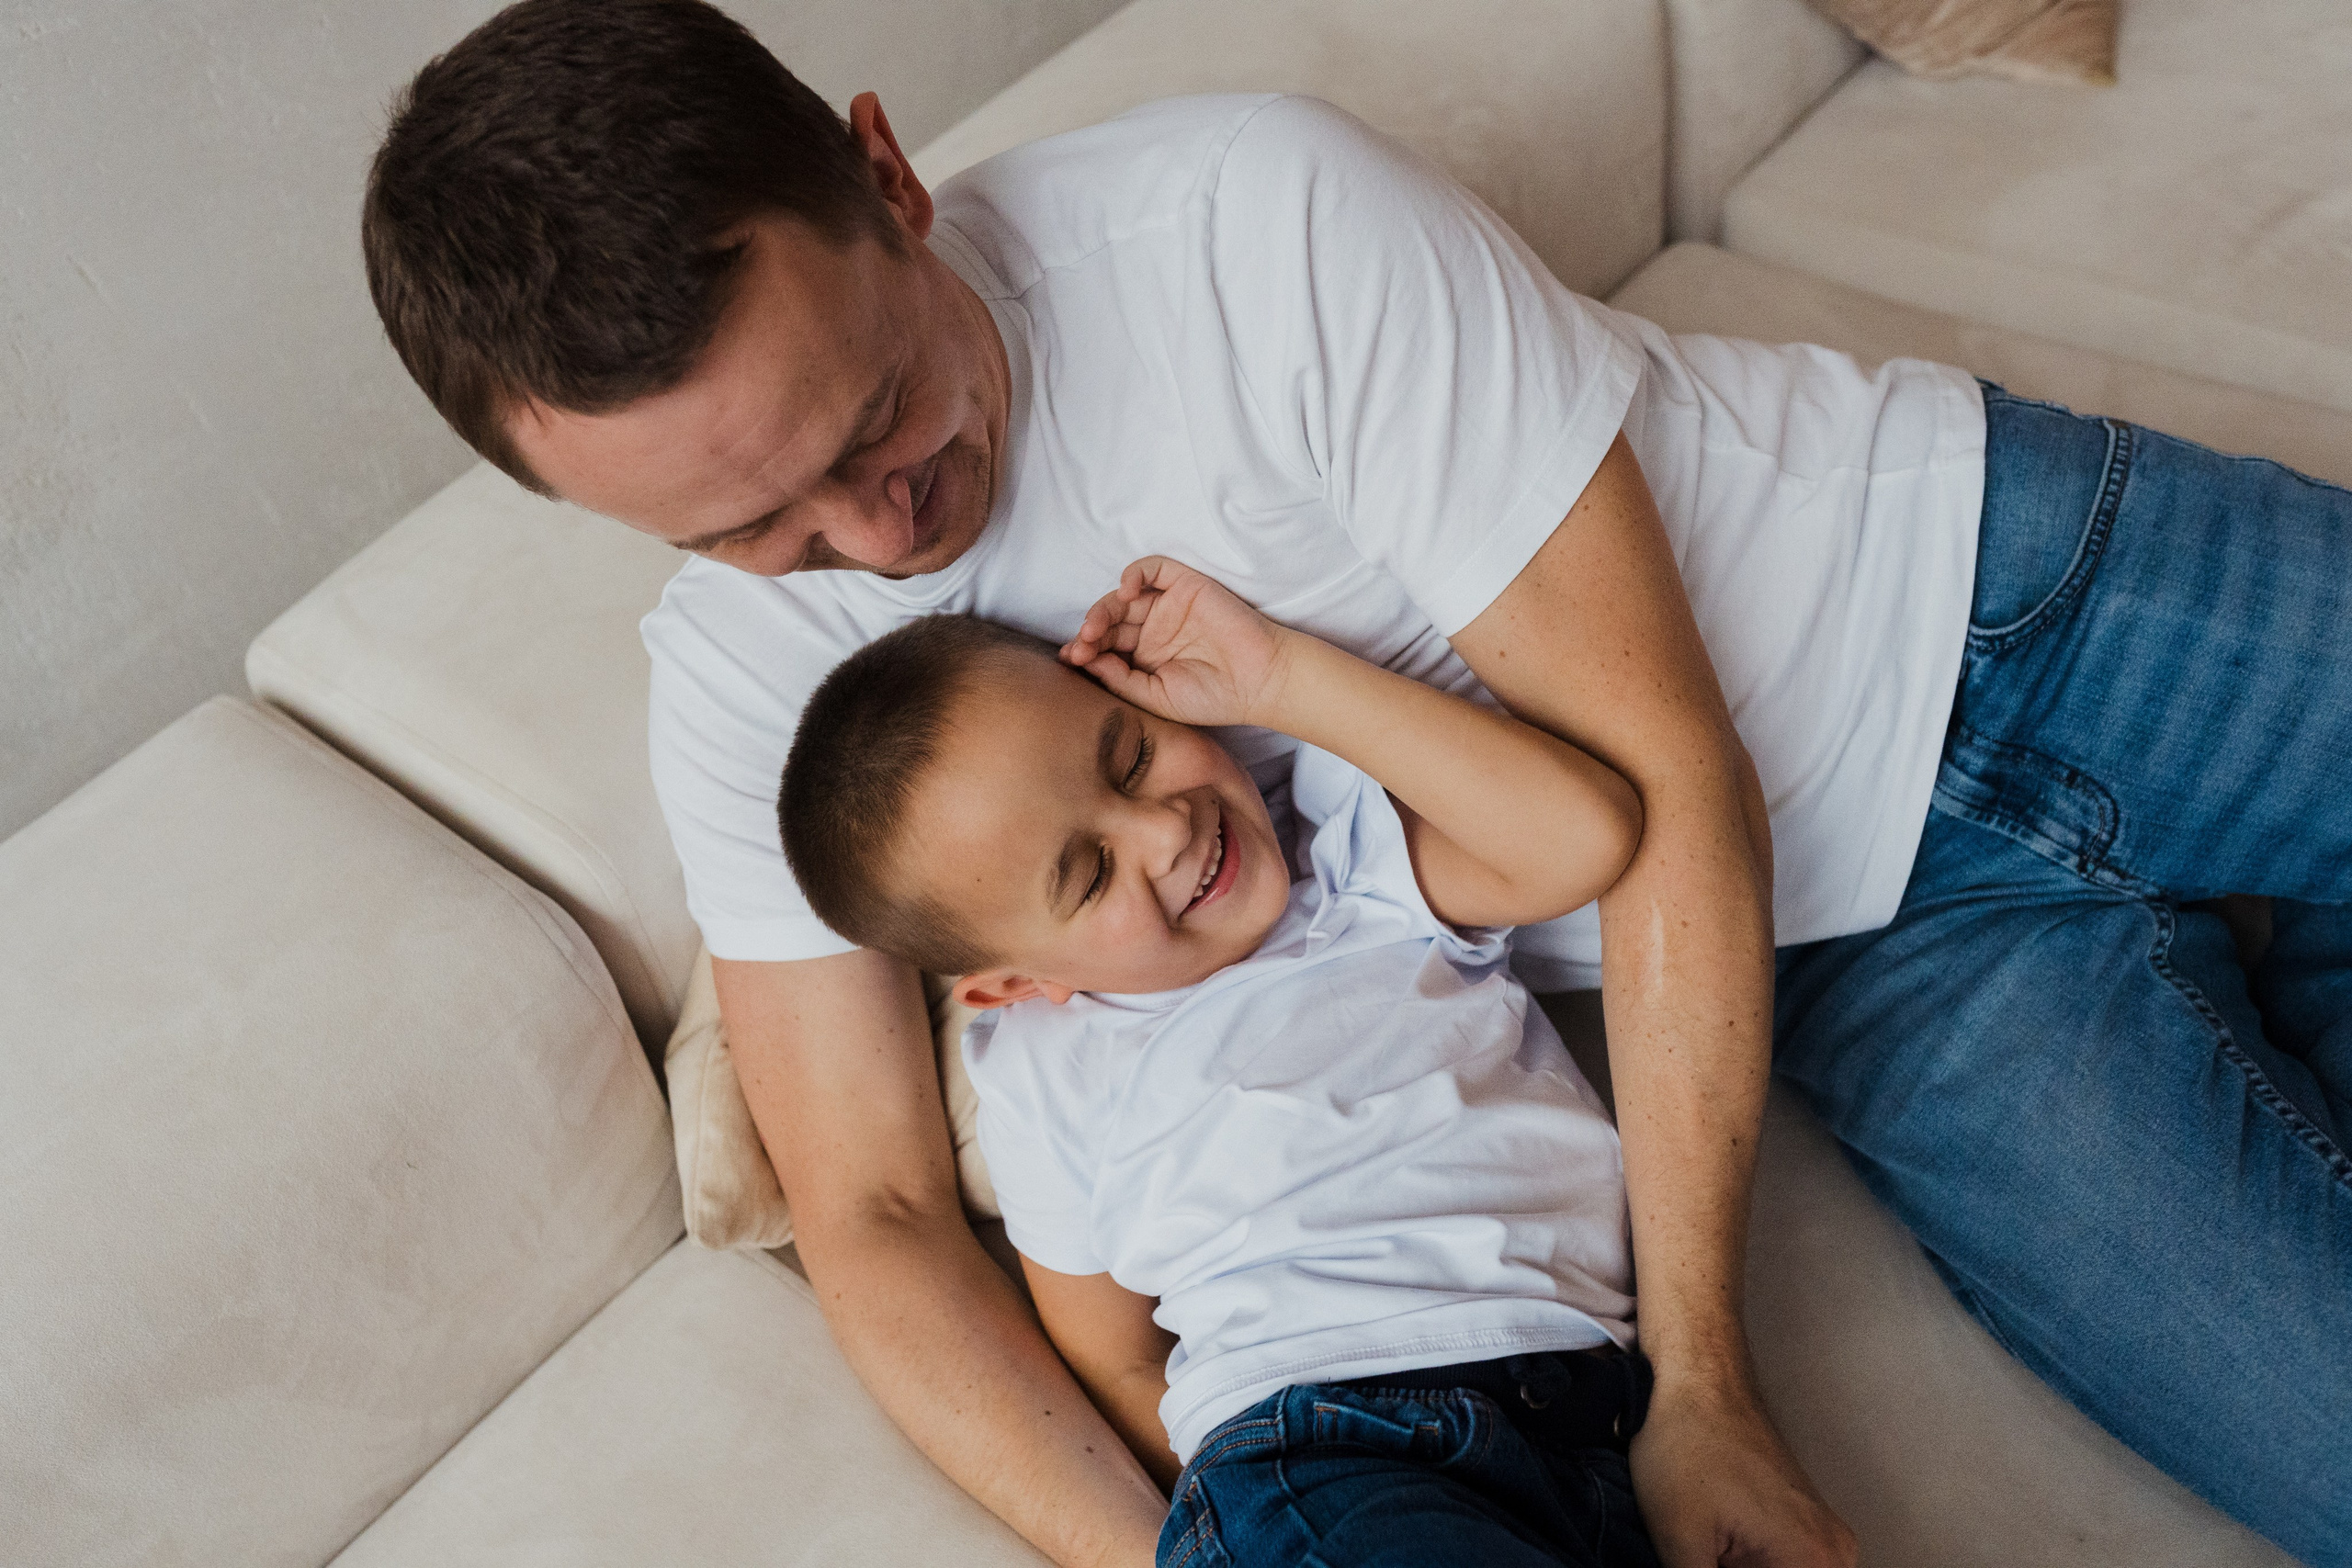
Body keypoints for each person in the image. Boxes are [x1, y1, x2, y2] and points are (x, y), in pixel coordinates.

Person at [360, 1, 2351, 1563]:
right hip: (1841, 956)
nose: (869, 539)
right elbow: (873, 1206)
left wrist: (1702, 1376)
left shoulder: (1249, 221)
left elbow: (1660, 756)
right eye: (749, 530)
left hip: (1991, 599)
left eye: (869, 416)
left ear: (887, 179)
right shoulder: (734, 691)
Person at [776, 555, 1654, 1567]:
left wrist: (1278, 675)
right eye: (1090, 873)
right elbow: (1112, 1354)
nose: (1163, 830)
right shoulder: (1047, 1070)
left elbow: (1588, 833)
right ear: (1014, 984)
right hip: (1317, 1454)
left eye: (1131, 757)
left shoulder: (1363, 870)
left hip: (1596, 1426)